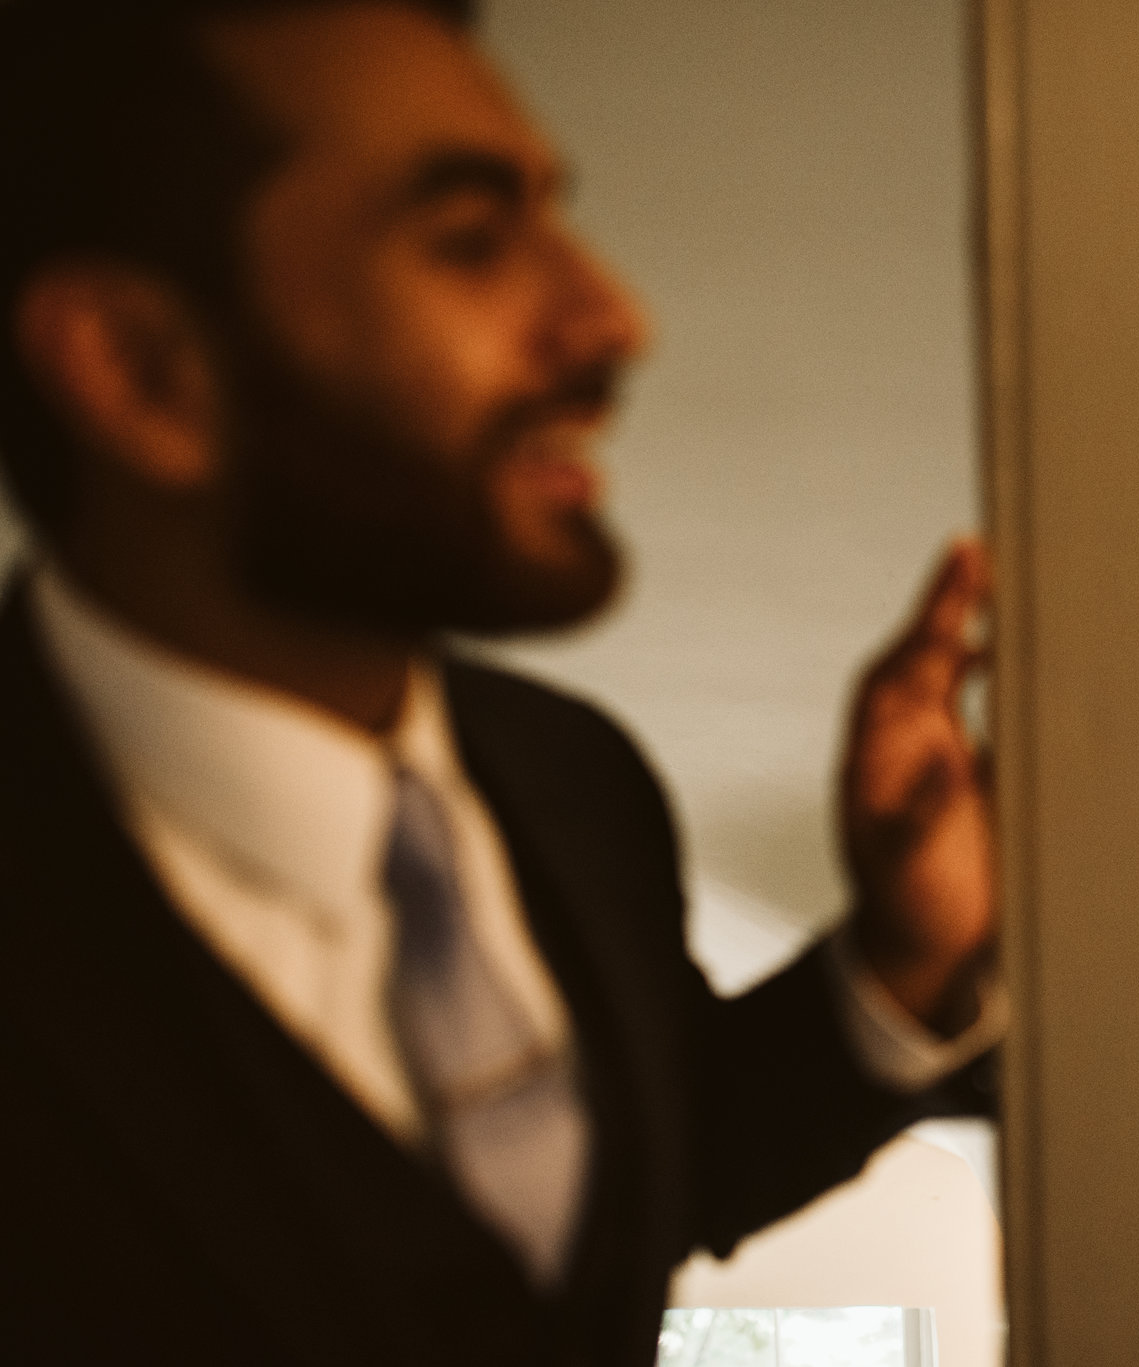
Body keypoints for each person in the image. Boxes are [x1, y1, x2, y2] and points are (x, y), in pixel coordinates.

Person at [0, 0, 999, 1361]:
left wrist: (899, 953)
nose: (613, 317)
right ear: (140, 370)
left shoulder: (573, 775)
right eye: (471, 242)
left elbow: (636, 1176)